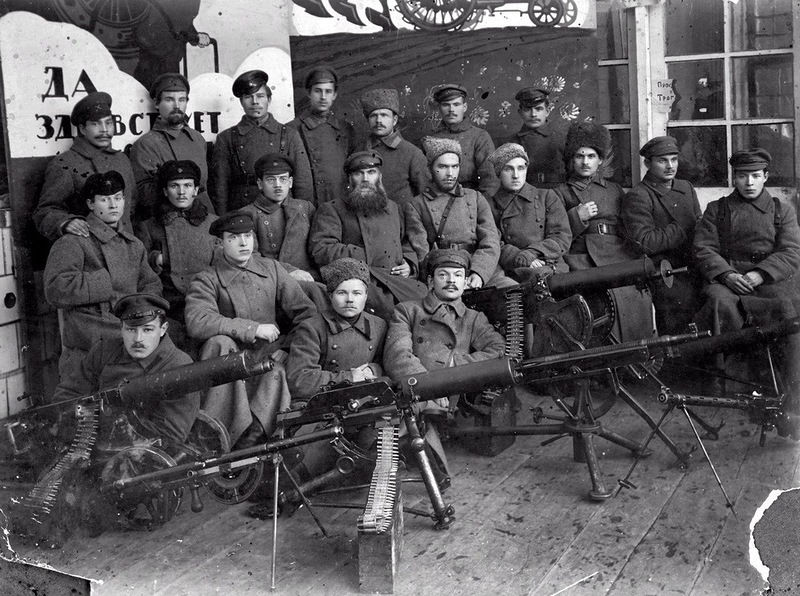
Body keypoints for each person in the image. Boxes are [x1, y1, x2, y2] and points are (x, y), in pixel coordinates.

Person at [184, 211, 317, 448]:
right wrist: (251, 328)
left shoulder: (272, 269)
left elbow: (306, 315)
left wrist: (287, 347)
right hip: (227, 364)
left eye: (247, 235)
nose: (244, 243)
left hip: (266, 357)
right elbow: (197, 320)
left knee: (275, 373)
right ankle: (212, 435)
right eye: (234, 238)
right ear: (220, 243)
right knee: (220, 342)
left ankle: (252, 441)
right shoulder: (207, 279)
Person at [384, 248, 506, 486]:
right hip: (414, 389)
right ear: (430, 281)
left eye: (458, 275)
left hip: (448, 396)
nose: (451, 281)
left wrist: (453, 366)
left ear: (465, 281)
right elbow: (397, 355)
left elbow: (497, 349)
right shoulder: (408, 310)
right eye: (443, 275)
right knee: (410, 422)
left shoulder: (473, 318)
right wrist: (429, 387)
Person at [693, 148, 800, 404]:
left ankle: (788, 383)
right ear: (734, 178)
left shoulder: (781, 211)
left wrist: (761, 274)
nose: (749, 182)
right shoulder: (717, 210)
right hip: (729, 281)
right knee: (719, 302)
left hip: (768, 281)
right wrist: (727, 274)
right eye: (742, 176)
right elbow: (704, 248)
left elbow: (791, 250)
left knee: (787, 307)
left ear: (765, 176)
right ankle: (724, 382)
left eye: (755, 175)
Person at [44, 171, 162, 376]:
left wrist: (143, 313)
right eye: (105, 199)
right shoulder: (73, 241)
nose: (113, 205)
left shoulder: (133, 245)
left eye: (118, 198)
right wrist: (108, 280)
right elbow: (55, 288)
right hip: (91, 331)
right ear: (91, 204)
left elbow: (151, 285)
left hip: (130, 324)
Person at [286, 258, 387, 482]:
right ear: (330, 295)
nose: (350, 300)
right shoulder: (312, 328)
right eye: (342, 293)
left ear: (366, 296)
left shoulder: (379, 326)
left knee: (381, 451)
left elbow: (387, 367)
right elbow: (299, 379)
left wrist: (374, 370)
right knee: (300, 475)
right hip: (320, 409)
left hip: (362, 407)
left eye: (357, 293)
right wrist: (349, 377)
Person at [553, 121, 654, 343]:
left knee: (637, 292)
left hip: (616, 250)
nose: (585, 162)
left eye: (591, 156)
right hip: (582, 255)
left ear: (600, 160)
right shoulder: (561, 192)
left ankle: (640, 352)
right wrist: (576, 216)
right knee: (609, 295)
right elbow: (555, 233)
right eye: (579, 156)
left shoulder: (614, 189)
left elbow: (628, 227)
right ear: (572, 160)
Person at [53, 293, 200, 446]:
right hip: (91, 445)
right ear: (121, 329)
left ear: (163, 329)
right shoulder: (104, 351)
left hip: (142, 455)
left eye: (148, 330)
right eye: (131, 330)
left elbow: (170, 435)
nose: (138, 339)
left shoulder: (179, 366)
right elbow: (67, 395)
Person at [309, 151, 427, 320]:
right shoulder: (332, 209)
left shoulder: (392, 208)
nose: (365, 179)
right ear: (350, 179)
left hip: (393, 279)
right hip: (360, 279)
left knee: (424, 299)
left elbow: (404, 242)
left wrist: (409, 263)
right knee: (390, 312)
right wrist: (368, 255)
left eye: (371, 173)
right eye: (359, 173)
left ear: (379, 176)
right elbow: (321, 249)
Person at [405, 137, 513, 289]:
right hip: (444, 271)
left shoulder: (475, 198)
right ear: (430, 168)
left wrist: (479, 272)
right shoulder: (416, 205)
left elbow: (491, 241)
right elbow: (422, 253)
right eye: (442, 167)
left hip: (481, 267)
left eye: (454, 166)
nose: (450, 173)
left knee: (513, 291)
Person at [622, 136, 702, 335]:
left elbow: (700, 224)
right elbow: (644, 241)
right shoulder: (639, 195)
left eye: (674, 159)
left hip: (693, 262)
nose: (670, 166)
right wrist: (683, 229)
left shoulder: (686, 188)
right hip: (663, 269)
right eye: (662, 161)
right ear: (648, 163)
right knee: (678, 307)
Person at [135, 160, 218, 351]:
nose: (182, 192)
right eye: (174, 186)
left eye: (188, 186)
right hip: (171, 302)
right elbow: (139, 267)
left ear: (196, 190)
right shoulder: (149, 226)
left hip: (209, 298)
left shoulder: (213, 224)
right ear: (165, 191)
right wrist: (156, 259)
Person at [34, 92, 135, 241]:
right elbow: (44, 211)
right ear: (82, 129)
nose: (104, 130)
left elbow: (132, 207)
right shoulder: (65, 163)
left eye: (108, 123)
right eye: (95, 124)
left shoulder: (122, 160)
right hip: (92, 252)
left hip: (127, 248)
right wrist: (65, 222)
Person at [211, 70, 312, 213]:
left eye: (260, 96)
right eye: (248, 97)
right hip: (242, 211)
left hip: (282, 210)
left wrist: (302, 217)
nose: (255, 102)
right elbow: (220, 188)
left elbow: (303, 183)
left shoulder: (289, 135)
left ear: (269, 100)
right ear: (241, 101)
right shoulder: (226, 138)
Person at [129, 73, 213, 221]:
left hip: (205, 216)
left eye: (181, 100)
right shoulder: (146, 144)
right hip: (169, 220)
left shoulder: (197, 138)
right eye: (169, 100)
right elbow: (143, 195)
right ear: (156, 104)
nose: (176, 106)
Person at [487, 142, 571, 279]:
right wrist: (519, 256)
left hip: (550, 261)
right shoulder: (490, 205)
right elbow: (494, 243)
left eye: (520, 168)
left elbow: (561, 236)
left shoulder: (546, 197)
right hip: (514, 267)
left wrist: (532, 253)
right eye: (508, 169)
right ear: (498, 173)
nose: (516, 175)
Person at [238, 153, 317, 279]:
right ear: (260, 183)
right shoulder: (247, 214)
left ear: (290, 182)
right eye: (271, 180)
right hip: (272, 279)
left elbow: (317, 248)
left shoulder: (305, 208)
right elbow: (250, 256)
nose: (278, 185)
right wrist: (288, 271)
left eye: (283, 179)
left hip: (309, 278)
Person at [288, 65, 357, 204]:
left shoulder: (345, 129)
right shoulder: (292, 129)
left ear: (335, 94)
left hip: (339, 203)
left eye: (328, 91)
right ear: (308, 93)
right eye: (318, 91)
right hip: (306, 203)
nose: (323, 97)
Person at [359, 88, 429, 205]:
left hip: (401, 220)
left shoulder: (412, 153)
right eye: (373, 116)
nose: (379, 121)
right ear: (368, 120)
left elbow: (425, 196)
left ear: (395, 120)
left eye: (384, 115)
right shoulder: (359, 152)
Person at [429, 84, 498, 197]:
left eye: (456, 104)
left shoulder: (479, 136)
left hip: (470, 202)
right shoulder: (431, 139)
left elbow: (490, 180)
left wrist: (479, 207)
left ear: (464, 107)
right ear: (439, 108)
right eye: (446, 105)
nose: (451, 110)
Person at [506, 88, 565, 188]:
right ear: (520, 112)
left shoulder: (562, 140)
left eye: (538, 109)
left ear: (548, 111)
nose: (533, 114)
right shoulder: (511, 143)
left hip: (557, 197)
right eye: (527, 109)